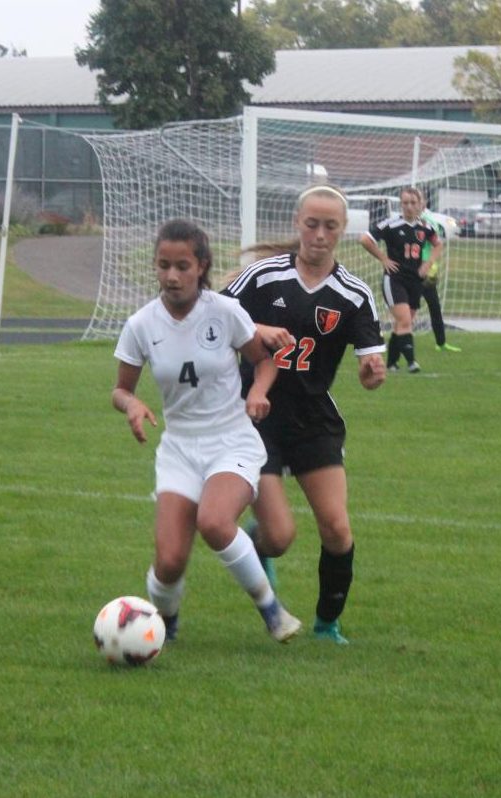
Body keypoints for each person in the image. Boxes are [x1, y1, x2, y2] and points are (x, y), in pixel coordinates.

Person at [112, 219, 301, 645]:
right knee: (170, 560)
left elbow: (265, 360)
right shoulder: (141, 324)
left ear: (201, 267)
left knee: (215, 522)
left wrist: (257, 391)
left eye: (182, 266)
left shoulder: (224, 311)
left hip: (230, 439)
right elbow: (120, 390)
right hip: (179, 448)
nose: (172, 276)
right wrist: (133, 404)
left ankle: (273, 612)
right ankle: (167, 623)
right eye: (163, 266)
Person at [223, 184, 387, 644]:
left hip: (314, 420)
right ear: (298, 224)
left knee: (336, 527)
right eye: (311, 224)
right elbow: (212, 314)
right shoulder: (262, 277)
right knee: (278, 538)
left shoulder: (353, 294)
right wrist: (256, 328)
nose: (319, 234)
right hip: (255, 416)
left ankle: (327, 623)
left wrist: (373, 373)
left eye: (330, 226)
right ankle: (258, 545)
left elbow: (370, 365)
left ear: (342, 231)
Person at [360, 186, 444, 373]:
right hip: (394, 279)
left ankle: (390, 364)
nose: (409, 207)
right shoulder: (390, 224)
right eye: (405, 203)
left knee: (403, 323)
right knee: (405, 320)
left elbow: (438, 244)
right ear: (401, 205)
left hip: (415, 280)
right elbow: (365, 239)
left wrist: (428, 262)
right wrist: (383, 259)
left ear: (421, 204)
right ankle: (412, 363)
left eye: (413, 203)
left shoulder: (425, 227)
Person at [420, 205, 462, 353]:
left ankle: (441, 343)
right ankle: (386, 341)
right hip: (411, 271)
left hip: (427, 272)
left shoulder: (429, 221)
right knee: (403, 310)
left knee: (434, 308)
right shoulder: (410, 222)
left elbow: (436, 243)